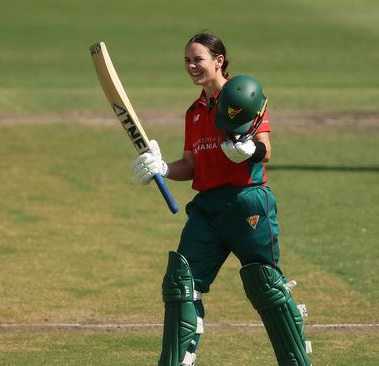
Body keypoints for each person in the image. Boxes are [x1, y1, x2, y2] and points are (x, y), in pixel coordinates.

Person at [132, 32, 312, 366]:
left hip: (248, 203)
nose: (190, 66)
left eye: (197, 59)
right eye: (186, 60)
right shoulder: (194, 111)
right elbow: (190, 165)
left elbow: (265, 149)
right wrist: (162, 167)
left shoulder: (245, 94)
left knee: (265, 286)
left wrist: (249, 149)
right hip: (208, 210)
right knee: (180, 283)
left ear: (218, 61)